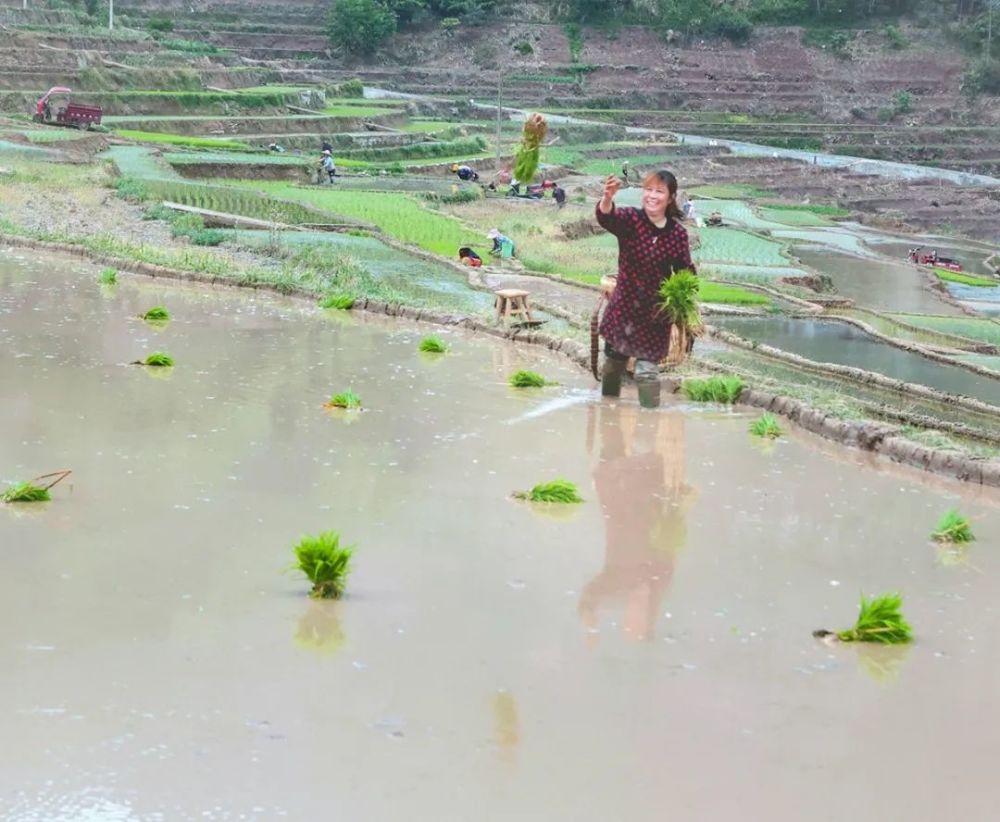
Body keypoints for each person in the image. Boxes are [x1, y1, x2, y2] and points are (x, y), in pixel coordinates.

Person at [595, 169, 696, 409]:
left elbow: (685, 271)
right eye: (648, 190)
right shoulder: (631, 220)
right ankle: (608, 414)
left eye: (659, 191)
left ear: (670, 198)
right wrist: (607, 198)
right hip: (624, 310)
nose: (652, 196)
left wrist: (683, 301)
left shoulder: (677, 235)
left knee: (646, 373)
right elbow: (607, 218)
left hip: (655, 315)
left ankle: (651, 420)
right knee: (612, 367)